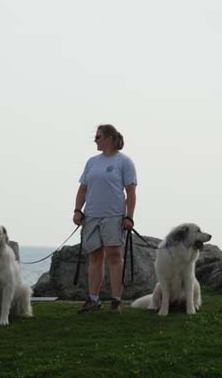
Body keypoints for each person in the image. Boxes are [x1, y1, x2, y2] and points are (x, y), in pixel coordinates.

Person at [73, 124, 137, 314]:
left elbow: (131, 192)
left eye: (98, 137)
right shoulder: (91, 162)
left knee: (114, 256)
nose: (95, 140)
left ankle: (116, 300)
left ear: (108, 138)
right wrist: (78, 210)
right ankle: (93, 299)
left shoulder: (124, 162)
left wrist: (129, 217)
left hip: (114, 215)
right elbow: (83, 188)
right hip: (91, 215)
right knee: (95, 256)